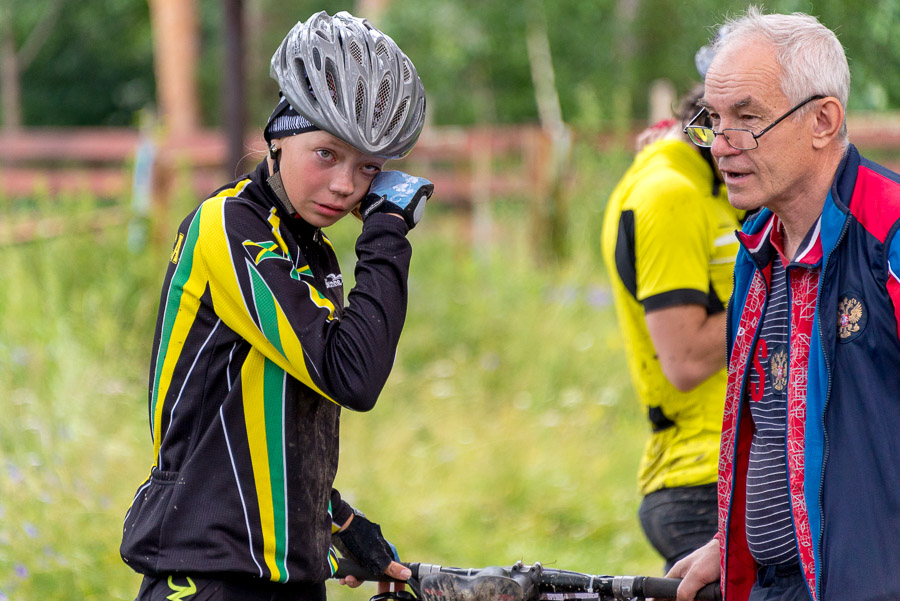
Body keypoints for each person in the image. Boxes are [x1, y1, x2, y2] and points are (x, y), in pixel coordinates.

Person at [120, 10, 433, 601]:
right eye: (327, 155)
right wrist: (388, 229)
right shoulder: (229, 226)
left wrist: (337, 522)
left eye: (368, 168)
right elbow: (353, 375)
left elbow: (262, 414)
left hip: (284, 575)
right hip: (208, 574)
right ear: (278, 136)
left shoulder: (307, 248)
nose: (347, 185)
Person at [669, 7, 900, 601]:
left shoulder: (889, 232)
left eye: (747, 119)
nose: (721, 146)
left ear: (823, 120)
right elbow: (774, 429)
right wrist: (732, 543)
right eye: (713, 121)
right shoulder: (756, 254)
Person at [600, 82, 744, 571]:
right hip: (702, 481)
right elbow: (683, 359)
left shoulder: (707, 186)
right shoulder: (669, 194)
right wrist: (788, 303)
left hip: (731, 468)